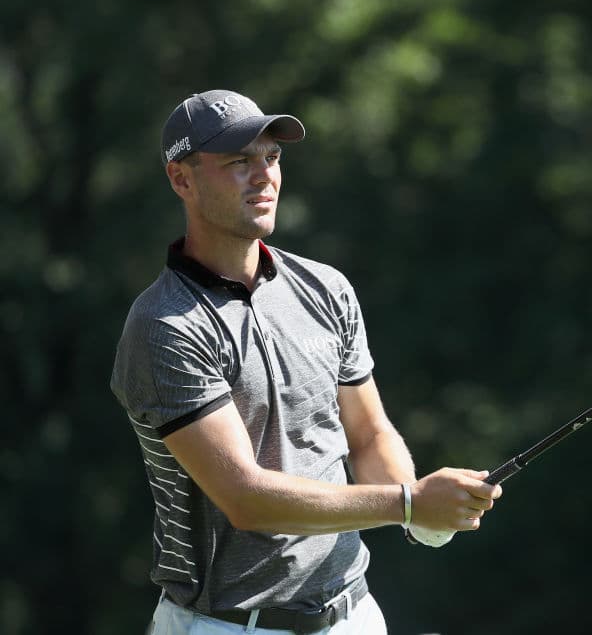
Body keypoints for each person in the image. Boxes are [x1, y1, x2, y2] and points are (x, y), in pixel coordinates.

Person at [110, 89, 502, 634]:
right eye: (238, 162)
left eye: (271, 158)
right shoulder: (164, 326)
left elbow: (367, 435)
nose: (264, 176)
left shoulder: (326, 288)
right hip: (227, 625)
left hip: (353, 613)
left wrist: (425, 521)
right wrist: (409, 503)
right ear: (182, 179)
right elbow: (247, 500)